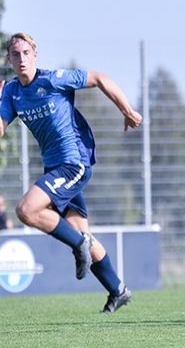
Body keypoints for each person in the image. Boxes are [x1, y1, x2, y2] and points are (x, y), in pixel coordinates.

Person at [1, 32, 142, 312]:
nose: (22, 59)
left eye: (26, 53)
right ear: (9, 59)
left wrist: (127, 110)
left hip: (74, 163)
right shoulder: (11, 93)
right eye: (15, 54)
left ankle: (78, 245)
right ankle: (118, 289)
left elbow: (100, 78)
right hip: (54, 167)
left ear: (35, 55)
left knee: (26, 210)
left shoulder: (53, 79)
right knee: (79, 230)